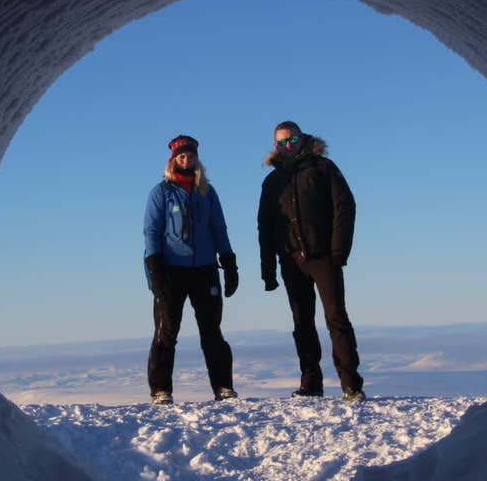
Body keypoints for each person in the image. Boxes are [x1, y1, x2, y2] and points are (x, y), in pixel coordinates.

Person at [258, 121, 366, 402]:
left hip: (324, 257)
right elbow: (265, 227)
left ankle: (351, 385)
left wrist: (339, 250)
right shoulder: (272, 182)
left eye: (291, 139)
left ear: (301, 138)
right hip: (291, 261)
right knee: (302, 322)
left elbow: (345, 206)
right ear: (275, 146)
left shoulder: (323, 168)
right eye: (281, 142)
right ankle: (311, 383)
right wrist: (268, 269)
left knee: (336, 318)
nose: (287, 145)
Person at [143, 135, 240, 405]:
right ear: (173, 159)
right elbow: (151, 231)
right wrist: (154, 268)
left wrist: (229, 261)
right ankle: (161, 390)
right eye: (181, 156)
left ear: (197, 158)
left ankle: (223, 387)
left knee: (212, 331)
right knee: (166, 331)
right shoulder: (161, 192)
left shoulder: (207, 192)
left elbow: (219, 229)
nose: (187, 160)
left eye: (191, 156)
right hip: (171, 270)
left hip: (205, 269)